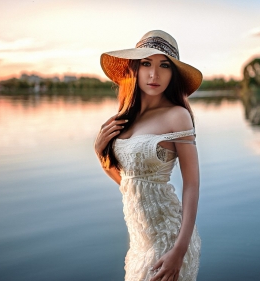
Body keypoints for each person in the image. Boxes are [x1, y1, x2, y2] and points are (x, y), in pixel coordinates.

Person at [94, 30, 202, 281]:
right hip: (140, 242)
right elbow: (129, 184)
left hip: (170, 239)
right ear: (135, 69)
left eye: (164, 66)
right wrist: (100, 153)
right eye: (146, 64)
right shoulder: (124, 119)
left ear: (173, 74)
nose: (154, 75)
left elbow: (192, 186)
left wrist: (180, 250)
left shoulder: (177, 115)